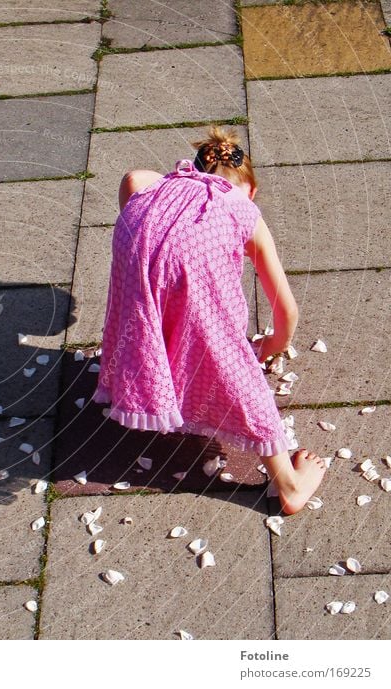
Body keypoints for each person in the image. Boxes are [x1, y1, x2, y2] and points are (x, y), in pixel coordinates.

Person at [91, 126, 325, 515]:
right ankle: (290, 485)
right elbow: (287, 311)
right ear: (250, 192)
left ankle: (159, 366)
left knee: (163, 299)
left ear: (190, 170)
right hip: (189, 280)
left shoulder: (159, 186)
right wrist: (271, 346)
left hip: (139, 272)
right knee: (229, 362)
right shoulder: (243, 210)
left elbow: (134, 179)